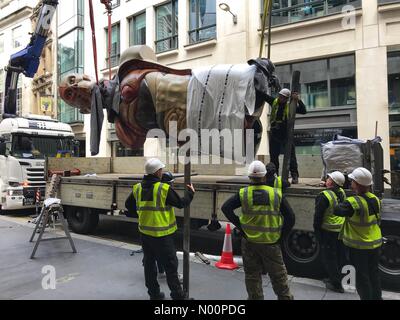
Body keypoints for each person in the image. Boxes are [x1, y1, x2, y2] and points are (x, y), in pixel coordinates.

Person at [221, 161, 293, 300]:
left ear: (250, 177)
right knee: (279, 277)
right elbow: (291, 217)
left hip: (250, 242)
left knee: (252, 276)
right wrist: (281, 236)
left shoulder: (244, 193)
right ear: (264, 177)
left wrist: (241, 227)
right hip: (271, 243)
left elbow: (226, 208)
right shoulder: (275, 194)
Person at [127, 158, 195, 300]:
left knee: (149, 264)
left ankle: (154, 295)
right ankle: (179, 297)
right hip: (162, 235)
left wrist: (141, 214)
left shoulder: (137, 188)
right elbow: (181, 203)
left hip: (145, 234)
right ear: (157, 172)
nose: (162, 172)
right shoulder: (163, 188)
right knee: (171, 266)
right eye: (161, 170)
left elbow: (129, 205)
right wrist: (191, 193)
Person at [333, 167, 383, 300]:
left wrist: (336, 192)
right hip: (375, 243)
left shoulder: (353, 202)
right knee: (374, 275)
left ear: (357, 184)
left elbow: (337, 210)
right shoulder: (375, 199)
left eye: (352, 181)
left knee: (362, 278)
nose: (351, 183)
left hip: (360, 246)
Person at [264, 88, 307, 184]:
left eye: (283, 97)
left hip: (286, 135)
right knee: (273, 157)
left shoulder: (290, 106)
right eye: (280, 96)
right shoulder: (274, 102)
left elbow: (304, 111)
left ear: (287, 98)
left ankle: (294, 175)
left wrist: (298, 100)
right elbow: (264, 96)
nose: (281, 98)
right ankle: (274, 175)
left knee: (291, 156)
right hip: (275, 134)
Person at [313, 171, 347, 293]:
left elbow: (318, 216)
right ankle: (336, 278)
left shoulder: (324, 196)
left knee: (330, 257)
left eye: (328, 178)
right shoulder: (342, 192)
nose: (326, 179)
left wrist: (317, 231)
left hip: (329, 230)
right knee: (338, 256)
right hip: (340, 229)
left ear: (331, 182)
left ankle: (336, 285)